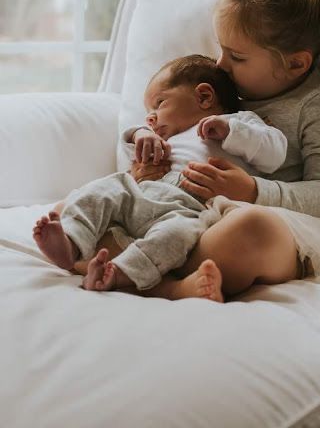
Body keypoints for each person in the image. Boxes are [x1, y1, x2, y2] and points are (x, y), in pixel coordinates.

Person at [93, 0, 320, 303]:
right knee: (89, 205)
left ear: (296, 64)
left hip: (258, 222)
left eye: (236, 56)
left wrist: (253, 191)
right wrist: (148, 166)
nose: (220, 64)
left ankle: (144, 276)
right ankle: (167, 282)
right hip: (177, 212)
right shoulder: (218, 89)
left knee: (250, 231)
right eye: (221, 49)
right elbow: (175, 137)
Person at [32, 54, 288, 299]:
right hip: (140, 195)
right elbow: (131, 148)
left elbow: (275, 153)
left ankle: (121, 273)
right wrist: (141, 134)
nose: (151, 116)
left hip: (188, 208)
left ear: (204, 96)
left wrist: (231, 130)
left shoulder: (240, 122)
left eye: (160, 103)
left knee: (176, 235)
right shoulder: (163, 137)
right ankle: (71, 243)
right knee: (105, 189)